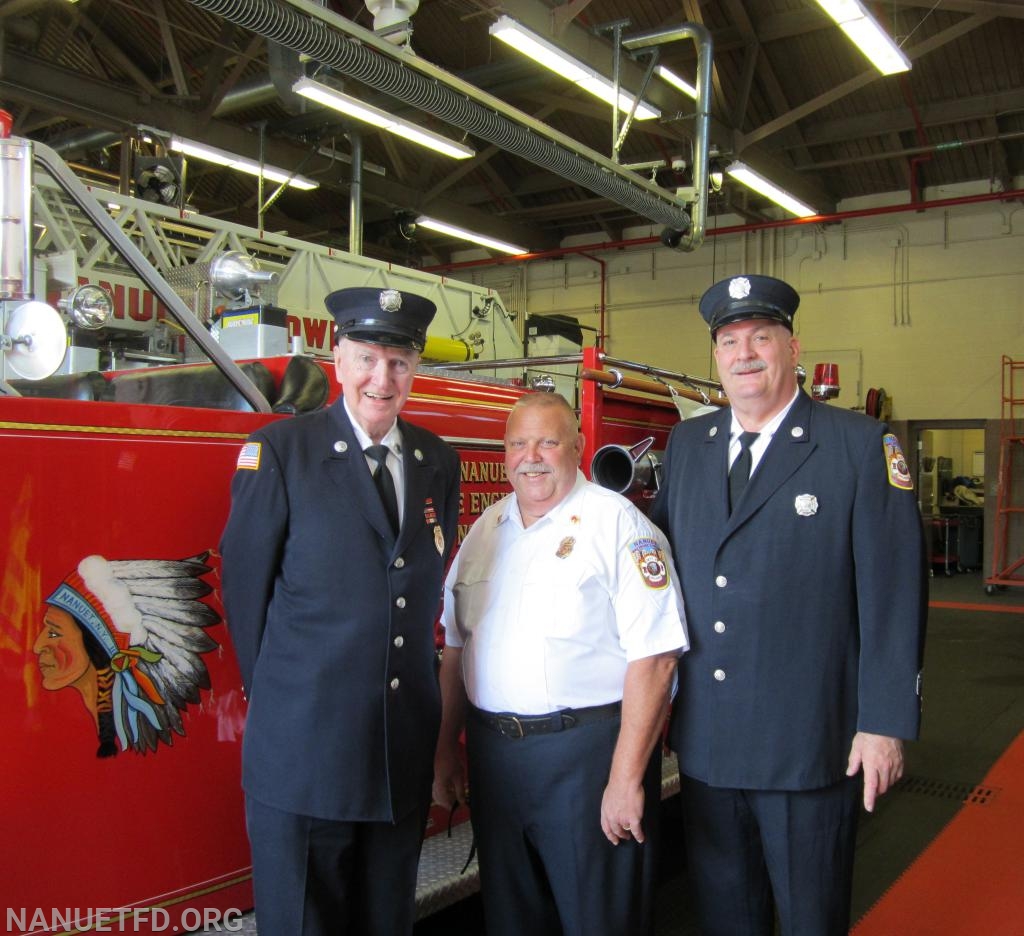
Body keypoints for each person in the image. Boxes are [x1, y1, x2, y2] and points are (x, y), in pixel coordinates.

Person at [649, 274, 927, 936]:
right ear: (716, 356)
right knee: (726, 915)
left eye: (761, 338)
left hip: (808, 743)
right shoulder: (689, 446)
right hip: (709, 743)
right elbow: (655, 584)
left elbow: (893, 593)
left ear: (793, 347)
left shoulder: (859, 447)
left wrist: (884, 721)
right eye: (729, 341)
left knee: (809, 917)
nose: (744, 354)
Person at [220, 287, 460, 935]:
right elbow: (245, 593)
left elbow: (423, 589)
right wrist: (283, 701)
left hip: (397, 757)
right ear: (336, 357)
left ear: (416, 368)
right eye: (366, 357)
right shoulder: (281, 454)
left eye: (399, 361)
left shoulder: (437, 460)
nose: (382, 378)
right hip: (304, 759)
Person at [433, 392, 687, 936]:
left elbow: (657, 659)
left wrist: (625, 780)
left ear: (577, 446)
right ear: (504, 452)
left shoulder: (620, 526)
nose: (533, 456)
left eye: (549, 442)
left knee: (600, 920)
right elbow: (456, 649)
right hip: (495, 761)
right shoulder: (485, 531)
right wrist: (444, 754)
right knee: (510, 918)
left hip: (587, 762)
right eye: (519, 443)